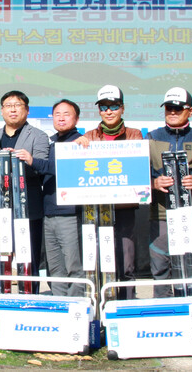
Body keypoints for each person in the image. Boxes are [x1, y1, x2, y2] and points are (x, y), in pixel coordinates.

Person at [74, 84, 144, 299]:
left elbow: (136, 170)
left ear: (122, 108)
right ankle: (99, 308)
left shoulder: (135, 135)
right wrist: (76, 146)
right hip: (95, 211)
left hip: (123, 208)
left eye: (114, 106)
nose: (109, 111)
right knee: (97, 261)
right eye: (104, 107)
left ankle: (126, 307)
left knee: (126, 261)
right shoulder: (88, 136)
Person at [147, 87, 192, 298]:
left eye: (178, 108)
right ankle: (163, 311)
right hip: (161, 213)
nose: (172, 112)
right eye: (169, 108)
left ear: (190, 111)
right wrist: (154, 183)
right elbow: (139, 174)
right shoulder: (151, 137)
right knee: (160, 267)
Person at [0, 90, 49, 294]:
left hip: (28, 205)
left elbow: (42, 167)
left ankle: (30, 295)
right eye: (8, 105)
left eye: (18, 105)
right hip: (0, 207)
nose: (13, 109)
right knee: (1, 254)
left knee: (28, 255)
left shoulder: (39, 136)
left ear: (27, 110)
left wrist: (21, 161)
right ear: (1, 110)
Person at [33, 99, 85, 296]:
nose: (61, 118)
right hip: (48, 213)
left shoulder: (81, 142)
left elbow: (61, 168)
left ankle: (77, 308)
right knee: (54, 268)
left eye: (66, 114)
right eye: (57, 114)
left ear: (77, 118)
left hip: (70, 213)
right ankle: (60, 305)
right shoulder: (50, 142)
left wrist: (32, 161)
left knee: (73, 265)